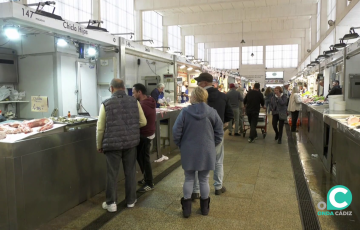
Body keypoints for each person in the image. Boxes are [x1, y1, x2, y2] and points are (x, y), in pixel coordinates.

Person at [97, 79, 147, 212]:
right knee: (130, 172)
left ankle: (111, 203)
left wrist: (99, 144)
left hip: (112, 145)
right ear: (124, 88)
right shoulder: (134, 102)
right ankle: (131, 200)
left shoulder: (106, 103)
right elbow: (143, 122)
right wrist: (130, 128)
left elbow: (100, 128)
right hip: (130, 144)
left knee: (112, 174)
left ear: (111, 88)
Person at [173, 87, 223, 218]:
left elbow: (176, 131)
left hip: (188, 149)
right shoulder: (212, 112)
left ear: (193, 97)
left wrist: (180, 144)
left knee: (189, 178)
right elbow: (220, 131)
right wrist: (212, 144)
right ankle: (205, 208)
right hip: (206, 150)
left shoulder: (184, 112)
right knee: (204, 179)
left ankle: (187, 210)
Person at [192, 73, 233, 197]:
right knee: (218, 161)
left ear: (204, 83)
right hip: (216, 134)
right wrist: (222, 125)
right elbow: (230, 115)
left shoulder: (198, 98)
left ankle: (196, 191)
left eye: (199, 82)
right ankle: (218, 187)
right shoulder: (222, 96)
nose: (198, 85)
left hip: (199, 134)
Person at [132, 83, 156, 192]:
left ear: (139, 92)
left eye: (133, 92)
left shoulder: (141, 105)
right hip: (149, 133)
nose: (132, 95)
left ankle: (149, 183)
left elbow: (137, 120)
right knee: (142, 157)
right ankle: (146, 178)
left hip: (144, 135)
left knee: (144, 159)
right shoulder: (150, 101)